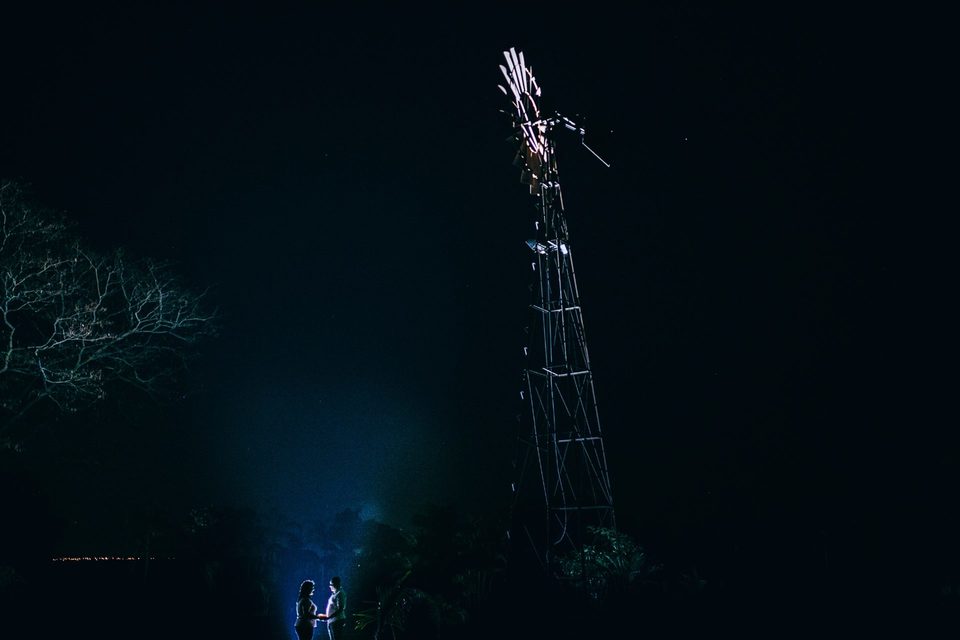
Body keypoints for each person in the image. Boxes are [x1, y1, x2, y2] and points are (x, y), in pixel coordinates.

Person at [319, 575, 347, 640]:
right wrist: (327, 616)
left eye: (331, 584)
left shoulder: (340, 593)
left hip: (337, 621)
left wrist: (329, 617)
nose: (330, 586)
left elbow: (341, 608)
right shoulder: (335, 594)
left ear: (335, 584)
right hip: (333, 621)